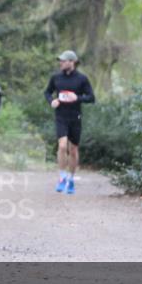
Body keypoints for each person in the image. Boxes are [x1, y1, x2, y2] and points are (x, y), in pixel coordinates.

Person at [44, 50, 95, 194]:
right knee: (62, 146)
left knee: (73, 150)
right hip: (61, 116)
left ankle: (71, 179)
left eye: (63, 61)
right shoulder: (56, 77)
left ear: (72, 62)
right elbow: (47, 92)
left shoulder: (82, 79)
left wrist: (77, 98)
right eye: (60, 60)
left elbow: (91, 97)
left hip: (75, 117)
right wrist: (51, 101)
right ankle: (61, 177)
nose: (60, 63)